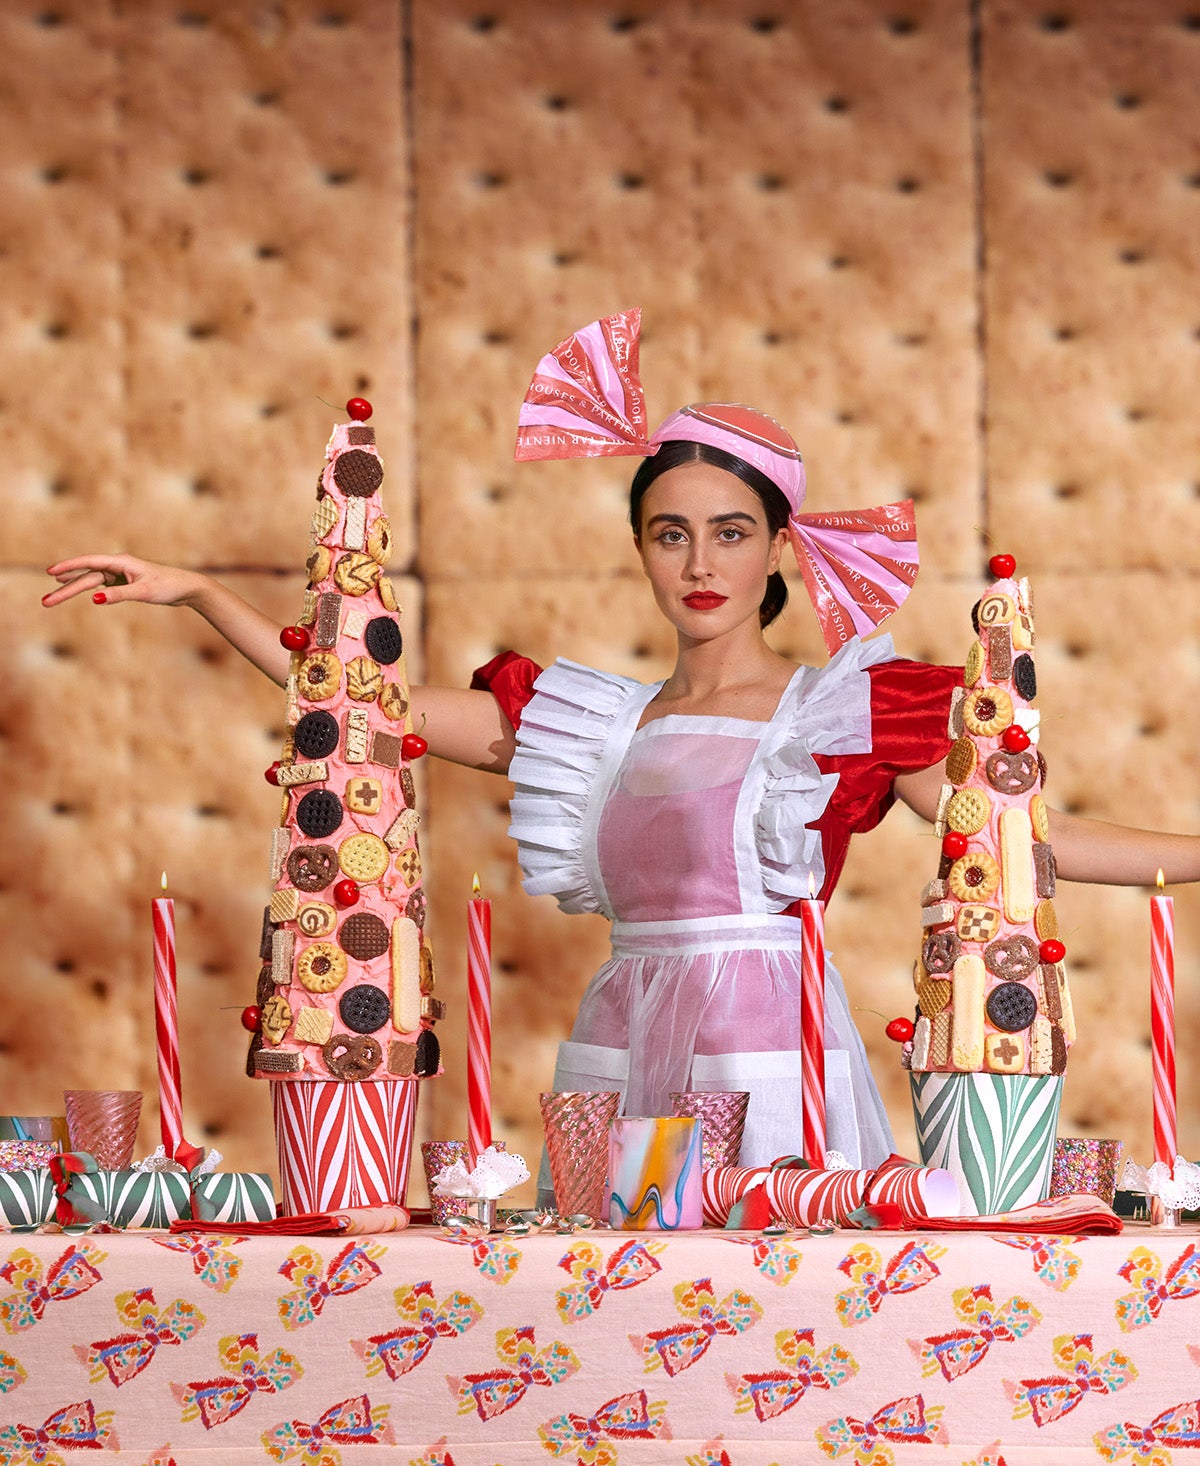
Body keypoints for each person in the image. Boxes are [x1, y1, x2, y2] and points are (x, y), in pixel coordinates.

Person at [44, 311, 1200, 1170]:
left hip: (768, 1051)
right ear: (640, 546)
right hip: (619, 1038)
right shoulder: (587, 723)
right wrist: (201, 593)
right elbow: (360, 704)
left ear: (781, 548)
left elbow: (1020, 838)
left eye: (731, 533)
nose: (699, 563)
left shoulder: (839, 714)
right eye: (669, 533)